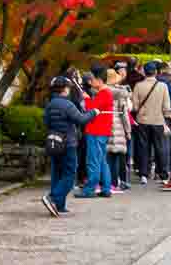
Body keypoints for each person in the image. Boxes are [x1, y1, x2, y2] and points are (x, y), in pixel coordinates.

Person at [44, 77, 95, 217]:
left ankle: (59, 206)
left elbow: (47, 122)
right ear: (64, 88)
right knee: (70, 174)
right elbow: (81, 119)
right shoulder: (67, 104)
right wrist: (94, 113)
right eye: (68, 87)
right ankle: (52, 198)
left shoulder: (50, 104)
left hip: (54, 142)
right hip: (68, 143)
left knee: (57, 174)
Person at [77, 66, 117, 199]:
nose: (91, 82)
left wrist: (87, 98)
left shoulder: (104, 93)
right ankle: (106, 188)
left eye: (92, 79)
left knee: (93, 161)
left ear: (99, 80)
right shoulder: (105, 93)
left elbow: (91, 110)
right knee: (101, 161)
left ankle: (89, 189)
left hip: (96, 131)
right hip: (102, 131)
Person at [131, 61, 171, 184]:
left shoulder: (138, 86)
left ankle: (144, 174)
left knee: (143, 147)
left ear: (144, 72)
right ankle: (163, 174)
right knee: (160, 147)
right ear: (156, 72)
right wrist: (166, 118)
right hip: (158, 121)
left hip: (142, 121)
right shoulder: (163, 86)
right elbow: (166, 106)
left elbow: (135, 106)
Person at [107, 65, 133, 192]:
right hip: (118, 126)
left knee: (108, 156)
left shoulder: (101, 91)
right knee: (120, 156)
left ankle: (109, 182)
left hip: (106, 126)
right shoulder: (120, 93)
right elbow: (124, 114)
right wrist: (128, 131)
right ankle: (119, 181)